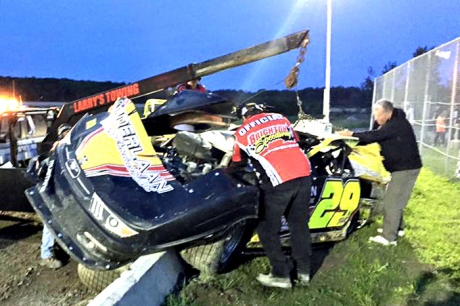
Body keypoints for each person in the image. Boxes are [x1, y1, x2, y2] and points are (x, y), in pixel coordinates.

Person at [231, 102, 312, 288]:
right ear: (260, 110)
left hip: (279, 180)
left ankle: (281, 274)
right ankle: (304, 272)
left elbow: (237, 162)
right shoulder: (280, 118)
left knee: (267, 229)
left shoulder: (241, 133)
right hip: (304, 173)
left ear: (244, 117)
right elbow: (296, 140)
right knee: (299, 226)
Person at [337, 99, 422, 246]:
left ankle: (389, 238)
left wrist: (351, 134)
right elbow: (372, 136)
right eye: (374, 114)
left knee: (391, 202)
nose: (376, 118)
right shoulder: (391, 122)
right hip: (404, 168)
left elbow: (375, 136)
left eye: (378, 114)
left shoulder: (396, 124)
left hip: (405, 169)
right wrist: (352, 142)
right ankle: (397, 229)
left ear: (388, 112)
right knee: (396, 199)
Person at [40, 123, 72, 269]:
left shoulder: (73, 149)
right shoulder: (56, 151)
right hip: (55, 193)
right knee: (51, 221)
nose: (67, 136)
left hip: (68, 193)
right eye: (65, 133)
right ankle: (46, 255)